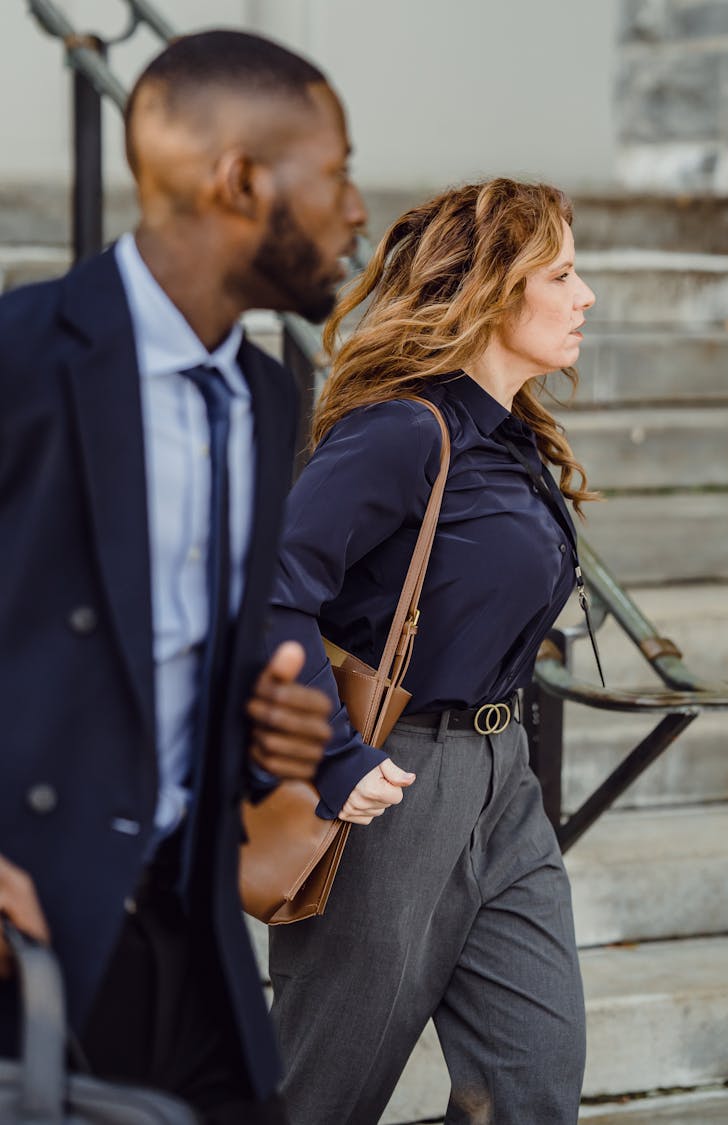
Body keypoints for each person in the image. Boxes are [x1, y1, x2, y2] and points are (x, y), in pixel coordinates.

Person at [0, 29, 366, 1124]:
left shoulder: (261, 399)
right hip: (28, 947)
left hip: (192, 938)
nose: (357, 211)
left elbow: (179, 655)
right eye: (338, 171)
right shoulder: (21, 361)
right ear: (241, 180)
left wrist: (268, 738)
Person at [266, 178, 597, 1124]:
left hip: (504, 778)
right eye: (563, 274)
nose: (585, 297)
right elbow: (270, 598)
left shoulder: (512, 438)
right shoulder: (403, 430)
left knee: (533, 1083)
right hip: (391, 787)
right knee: (320, 1095)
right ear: (495, 289)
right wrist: (334, 757)